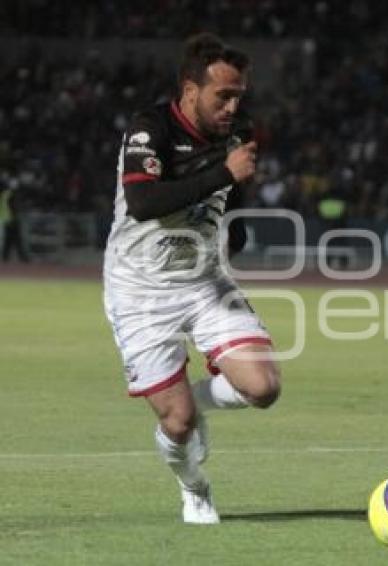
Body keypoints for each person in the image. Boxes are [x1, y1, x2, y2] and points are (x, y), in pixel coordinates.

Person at [103, 33, 280, 524]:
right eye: (222, 95)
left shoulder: (236, 133)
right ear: (188, 91)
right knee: (177, 423)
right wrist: (224, 173)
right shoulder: (150, 130)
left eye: (238, 95)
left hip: (203, 280)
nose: (231, 106)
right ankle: (194, 487)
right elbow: (143, 204)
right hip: (139, 290)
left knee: (263, 387)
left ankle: (193, 400)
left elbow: (234, 194)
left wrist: (235, 230)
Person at [0, 175, 31, 263]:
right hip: (12, 219)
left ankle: (5, 258)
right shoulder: (12, 195)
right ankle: (24, 259)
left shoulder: (4, 194)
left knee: (8, 241)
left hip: (6, 219)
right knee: (17, 240)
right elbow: (14, 207)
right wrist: (16, 216)